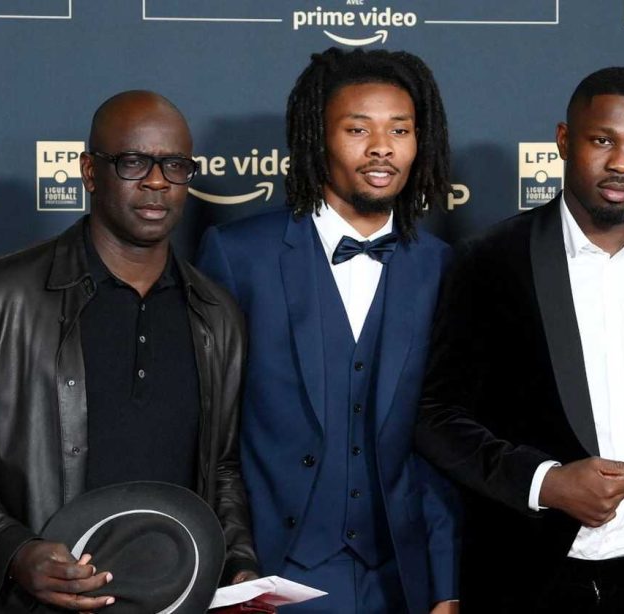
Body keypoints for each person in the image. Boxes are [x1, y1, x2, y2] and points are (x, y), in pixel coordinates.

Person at [0, 90, 258, 612]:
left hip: (172, 598)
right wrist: (15, 550)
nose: (157, 181)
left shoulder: (216, 315)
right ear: (89, 172)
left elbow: (222, 469)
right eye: (133, 162)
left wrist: (239, 567)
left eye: (175, 165)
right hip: (30, 603)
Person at [415, 66, 624, 612]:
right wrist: (546, 482)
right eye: (603, 140)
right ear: (564, 140)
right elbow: (436, 416)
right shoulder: (491, 260)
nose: (621, 162)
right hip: (527, 575)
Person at [197, 48, 460, 614]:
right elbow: (210, 436)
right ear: (317, 140)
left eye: (400, 130)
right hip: (277, 575)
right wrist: (236, 569)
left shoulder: (440, 266)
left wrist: (445, 584)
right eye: (357, 129)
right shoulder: (239, 256)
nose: (382, 147)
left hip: (401, 580)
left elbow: (441, 443)